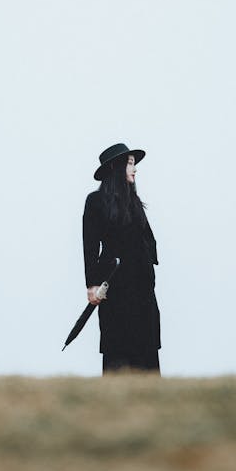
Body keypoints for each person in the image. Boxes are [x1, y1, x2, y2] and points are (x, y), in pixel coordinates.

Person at [83, 142, 161, 375]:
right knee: (118, 349)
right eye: (129, 164)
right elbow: (89, 246)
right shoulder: (95, 201)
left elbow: (149, 241)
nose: (134, 169)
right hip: (115, 286)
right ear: (116, 168)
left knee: (146, 352)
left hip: (142, 289)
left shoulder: (135, 203)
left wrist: (149, 268)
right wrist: (92, 284)